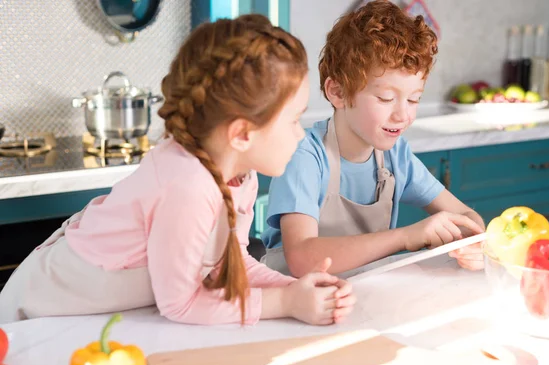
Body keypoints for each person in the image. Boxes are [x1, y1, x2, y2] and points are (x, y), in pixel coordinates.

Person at [0, 15, 355, 326]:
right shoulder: (188, 183)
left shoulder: (240, 175)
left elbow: (228, 265)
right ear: (242, 133)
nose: (300, 133)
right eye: (294, 120)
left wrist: (295, 289)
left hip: (92, 314)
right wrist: (285, 303)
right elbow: (181, 303)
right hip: (35, 309)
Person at [261, 0, 485, 277]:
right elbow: (302, 259)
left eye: (414, 99)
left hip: (358, 299)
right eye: (386, 98)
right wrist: (406, 237)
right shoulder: (305, 156)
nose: (402, 115)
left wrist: (471, 239)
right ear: (338, 92)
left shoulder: (396, 157)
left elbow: (467, 217)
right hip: (292, 305)